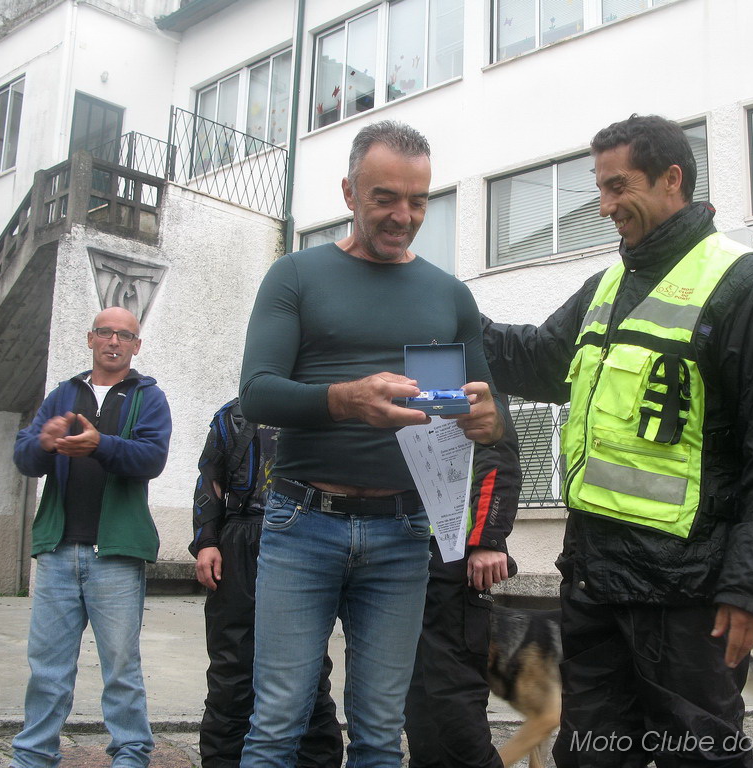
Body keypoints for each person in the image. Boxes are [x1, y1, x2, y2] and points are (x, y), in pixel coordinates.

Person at [481, 114, 753, 768]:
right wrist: (445, 309)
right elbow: (538, 360)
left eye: (619, 187)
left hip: (690, 598)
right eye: (600, 188)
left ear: (672, 179)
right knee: (590, 757)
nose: (605, 206)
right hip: (596, 585)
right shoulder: (607, 287)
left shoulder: (752, 284)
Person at [237, 119, 505, 768]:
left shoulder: (450, 295)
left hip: (403, 532)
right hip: (302, 524)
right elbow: (257, 394)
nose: (403, 216)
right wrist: (345, 399)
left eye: (419, 201)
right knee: (276, 725)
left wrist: (488, 420)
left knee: (382, 734)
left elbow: (488, 415)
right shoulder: (295, 275)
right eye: (385, 198)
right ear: (349, 192)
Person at [10, 306, 172, 768]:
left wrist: (100, 444)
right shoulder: (63, 394)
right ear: (90, 338)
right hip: (58, 548)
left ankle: (131, 752)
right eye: (105, 332)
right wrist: (44, 443)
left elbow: (151, 459)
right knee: (48, 665)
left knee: (120, 665)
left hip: (115, 553)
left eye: (124, 335)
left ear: (136, 346)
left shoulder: (148, 397)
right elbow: (24, 456)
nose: (114, 341)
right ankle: (34, 754)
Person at [191, 398, 343, 768]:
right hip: (241, 537)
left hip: (305, 535)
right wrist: (207, 542)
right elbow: (209, 478)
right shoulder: (233, 415)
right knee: (233, 663)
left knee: (307, 665)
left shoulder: (322, 407)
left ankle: (315, 760)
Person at [404, 394, 521, 768]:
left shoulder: (467, 376)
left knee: (453, 696)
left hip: (452, 557)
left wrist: (488, 539)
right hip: (394, 554)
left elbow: (496, 452)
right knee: (414, 699)